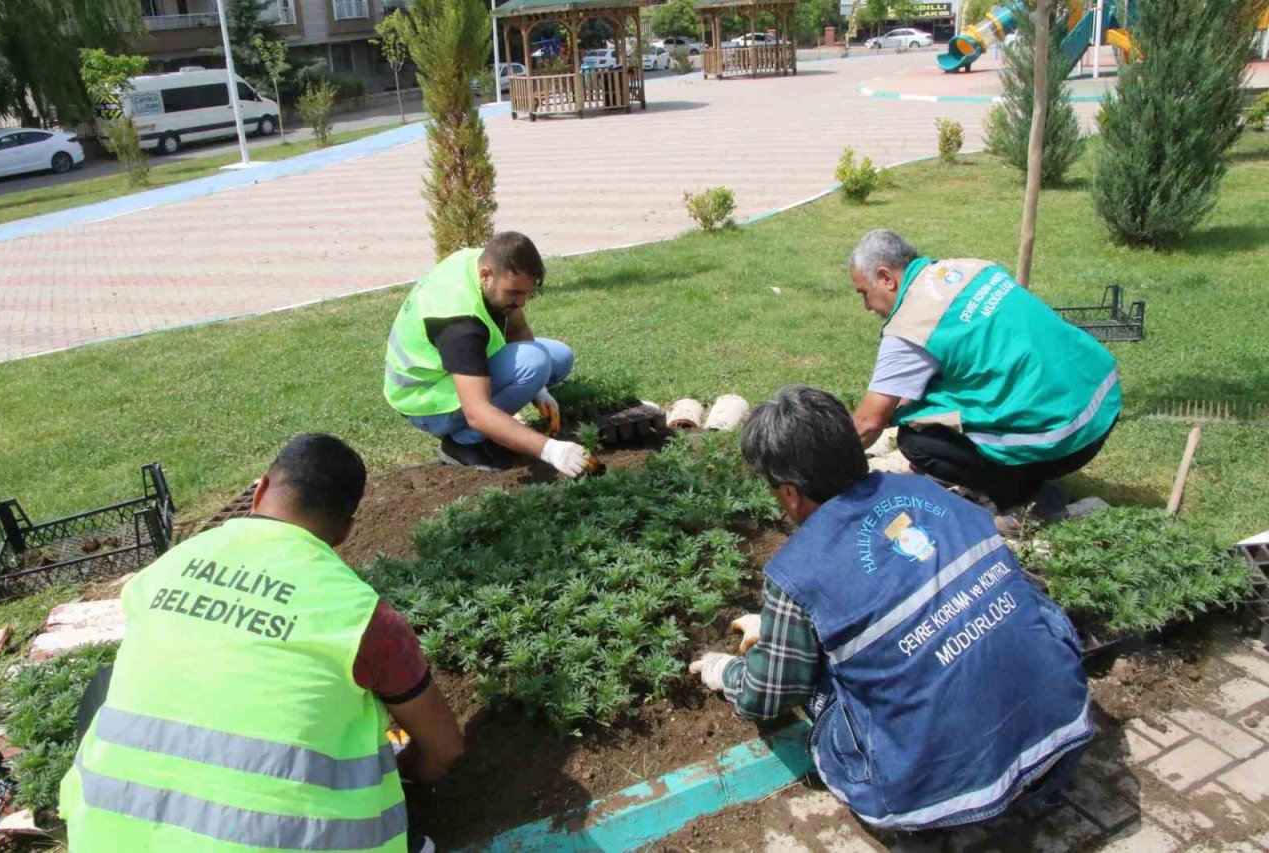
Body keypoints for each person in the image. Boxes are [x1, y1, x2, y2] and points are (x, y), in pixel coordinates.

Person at [690, 386, 1092, 832]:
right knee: (1020, 595)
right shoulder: (931, 494)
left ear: (788, 493)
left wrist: (721, 670)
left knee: (815, 676)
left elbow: (767, 696)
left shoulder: (796, 574)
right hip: (1064, 732)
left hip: (931, 799)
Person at [60, 434, 463, 853]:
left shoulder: (167, 567)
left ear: (261, 489)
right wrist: (403, 777)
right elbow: (444, 748)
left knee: (106, 684)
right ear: (345, 532)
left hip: (104, 840)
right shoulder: (360, 616)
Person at [846, 229, 1121, 518]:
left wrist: (827, 473)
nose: (866, 306)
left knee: (918, 442)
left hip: (1068, 437)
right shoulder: (970, 268)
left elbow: (867, 423)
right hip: (1102, 402)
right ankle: (1025, 464)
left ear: (886, 278)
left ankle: (1029, 496)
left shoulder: (911, 325)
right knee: (929, 403)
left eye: (864, 293)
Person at [383, 231, 595, 478]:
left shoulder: (487, 265)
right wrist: (551, 450)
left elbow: (518, 330)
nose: (522, 302)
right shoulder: (459, 322)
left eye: (527, 293)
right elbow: (477, 413)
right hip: (425, 399)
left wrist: (537, 388)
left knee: (559, 357)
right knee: (534, 364)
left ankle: (502, 414)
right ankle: (462, 443)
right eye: (515, 293)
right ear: (486, 276)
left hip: (453, 369)